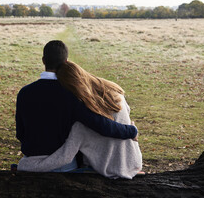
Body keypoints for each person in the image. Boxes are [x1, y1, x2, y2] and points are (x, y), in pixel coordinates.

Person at [15, 40, 138, 173]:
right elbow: (100, 125)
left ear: (43, 60)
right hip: (62, 164)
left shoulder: (24, 93)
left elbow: (20, 133)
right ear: (66, 61)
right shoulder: (71, 94)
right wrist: (131, 131)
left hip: (30, 159)